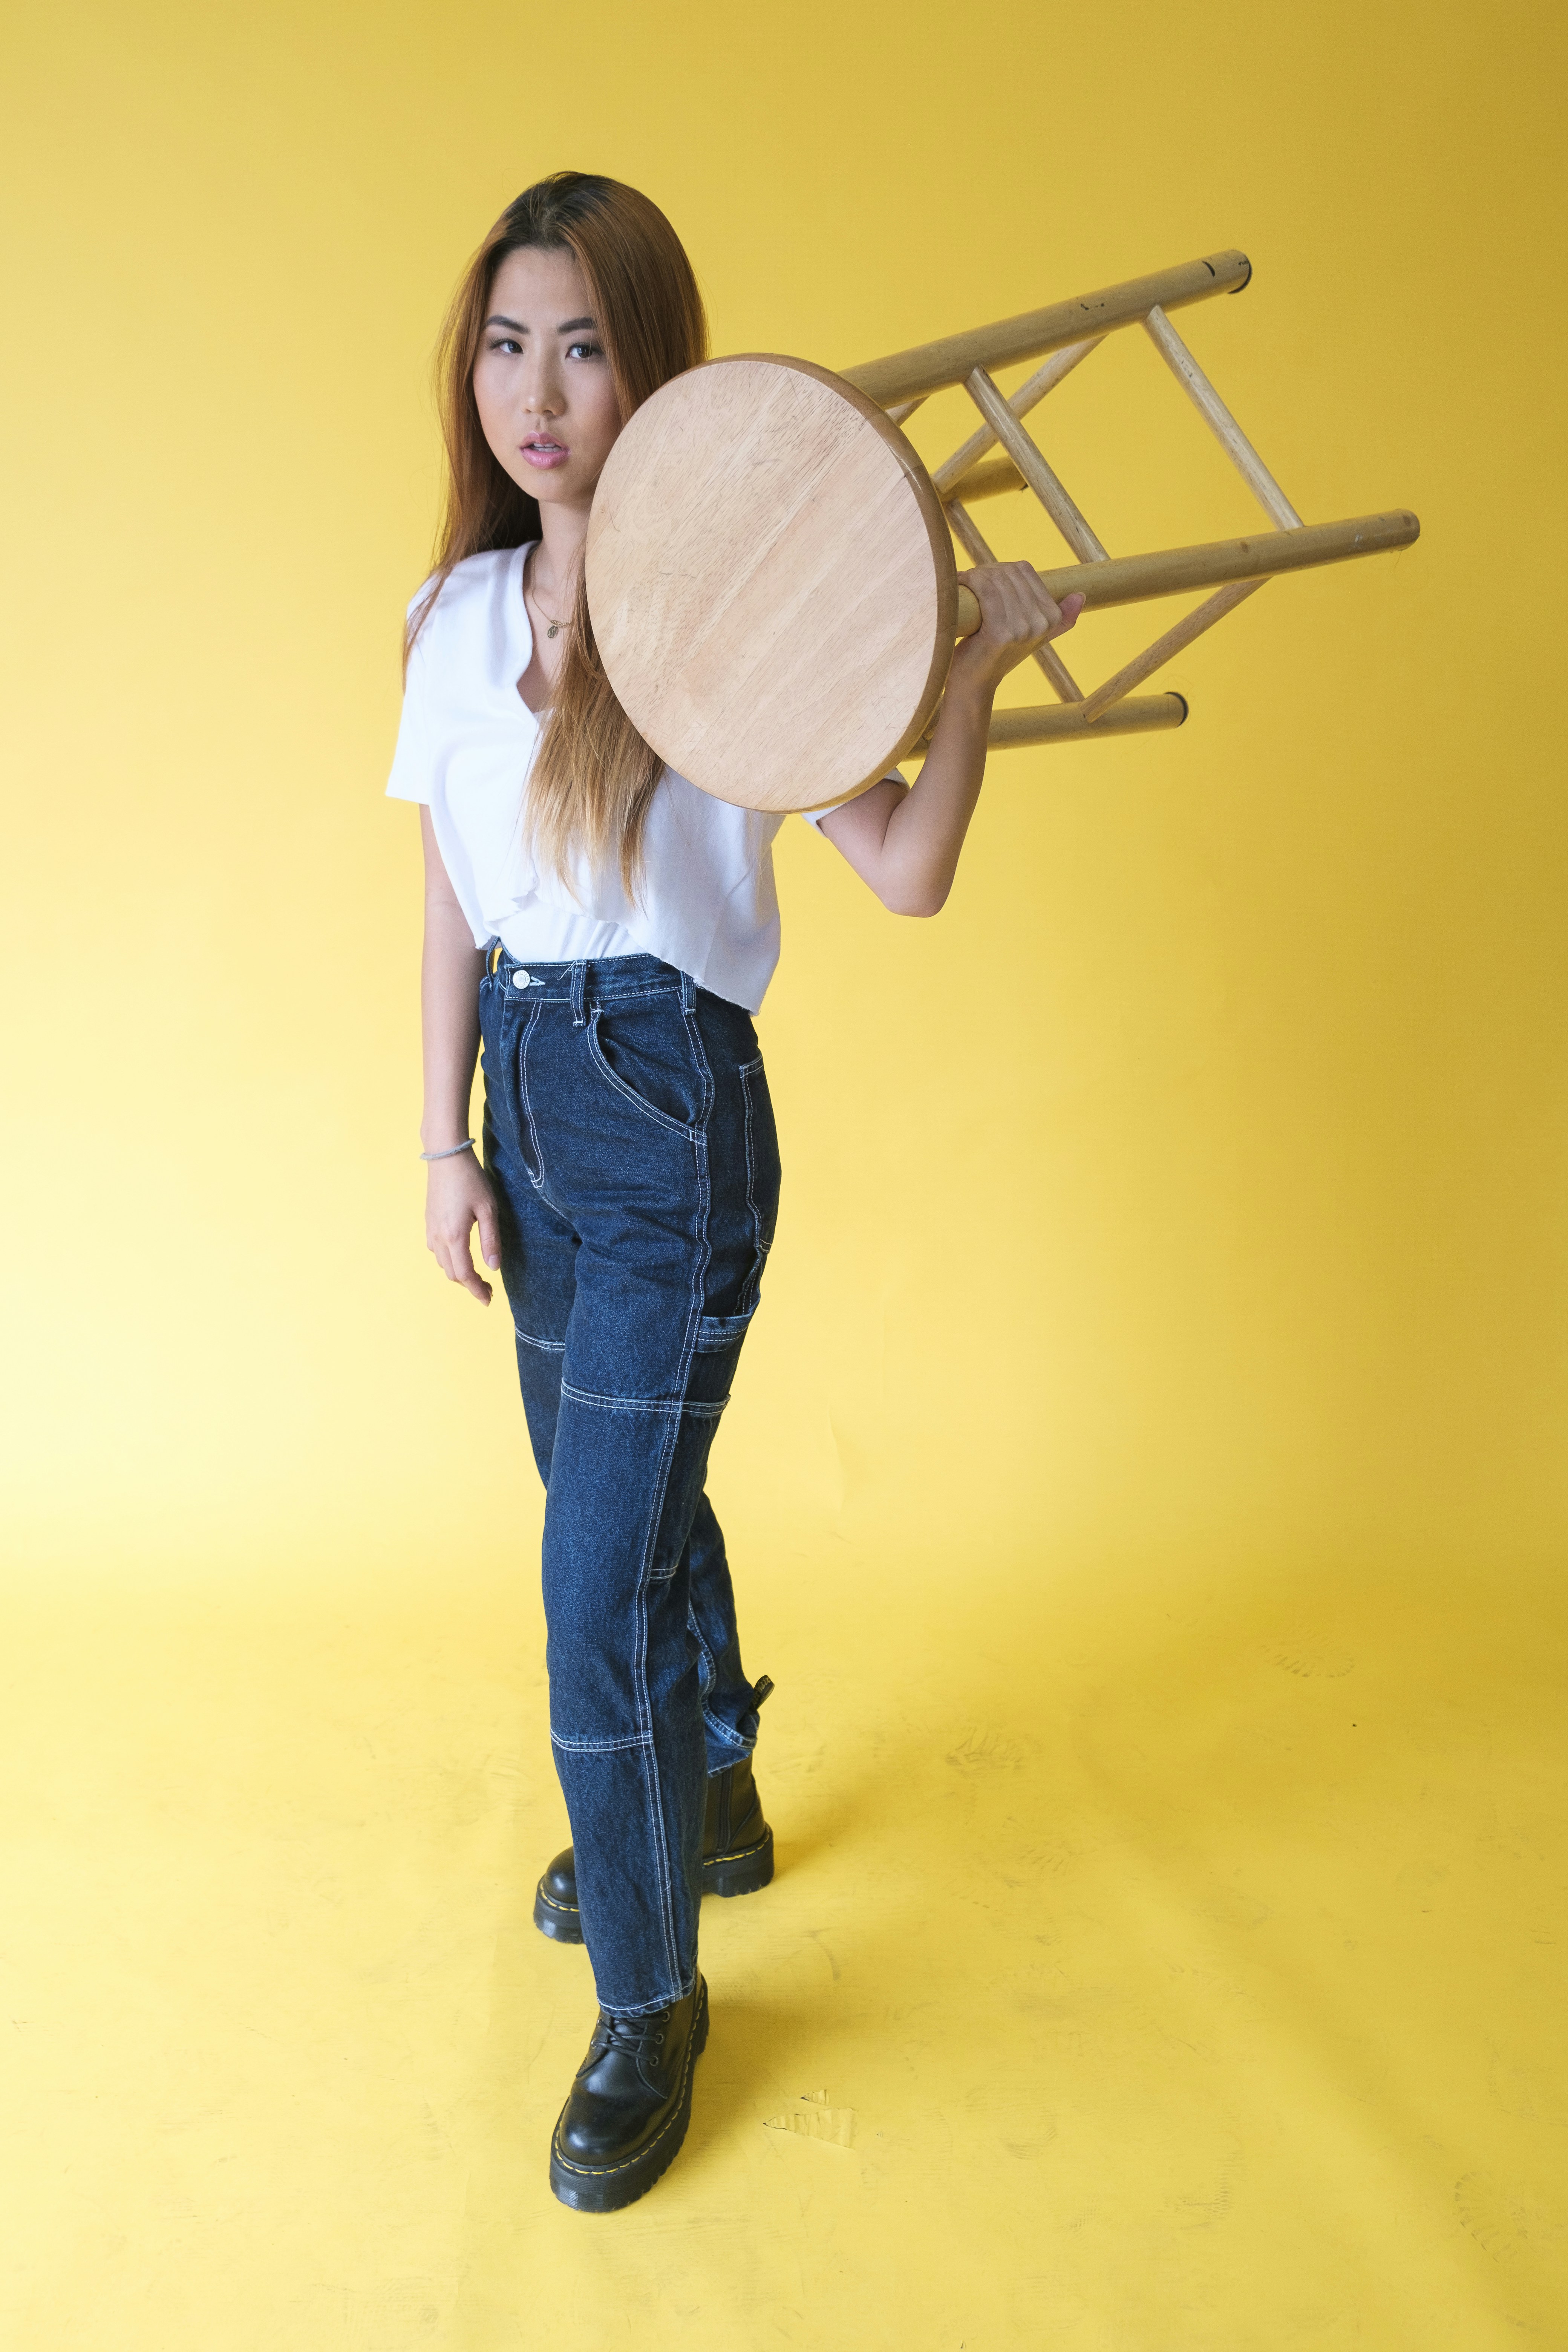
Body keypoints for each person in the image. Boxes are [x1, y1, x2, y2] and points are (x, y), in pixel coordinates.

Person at [388, 170, 1083, 2213]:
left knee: (584, 1583)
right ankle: (706, 1792)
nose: (540, 389)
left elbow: (903, 867)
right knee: (618, 1501)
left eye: (586, 344)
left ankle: (646, 2000)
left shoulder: (728, 606)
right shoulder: (449, 622)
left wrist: (974, 679)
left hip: (676, 1104)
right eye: (508, 343)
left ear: (654, 368)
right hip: (527, 1088)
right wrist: (439, 1140)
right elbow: (439, 894)